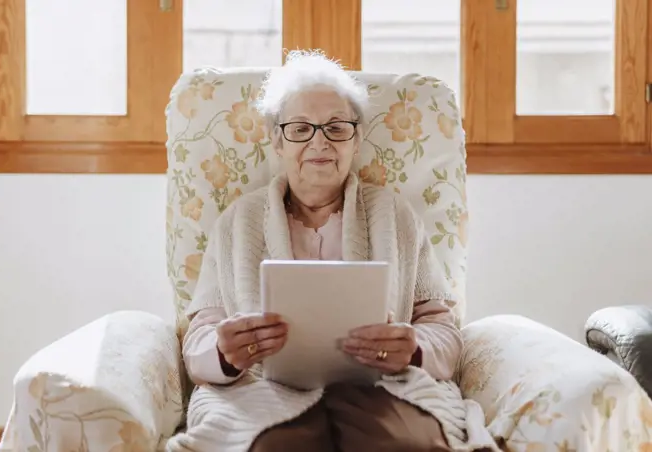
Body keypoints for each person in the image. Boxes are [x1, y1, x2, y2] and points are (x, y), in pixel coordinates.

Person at [167, 51, 485, 452]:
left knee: (407, 443)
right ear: (277, 140)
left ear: (357, 138)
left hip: (383, 389)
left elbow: (442, 328)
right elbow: (199, 338)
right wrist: (224, 351)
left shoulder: (394, 215)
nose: (320, 141)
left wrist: (414, 348)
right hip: (263, 389)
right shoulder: (237, 222)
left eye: (337, 127)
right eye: (301, 128)